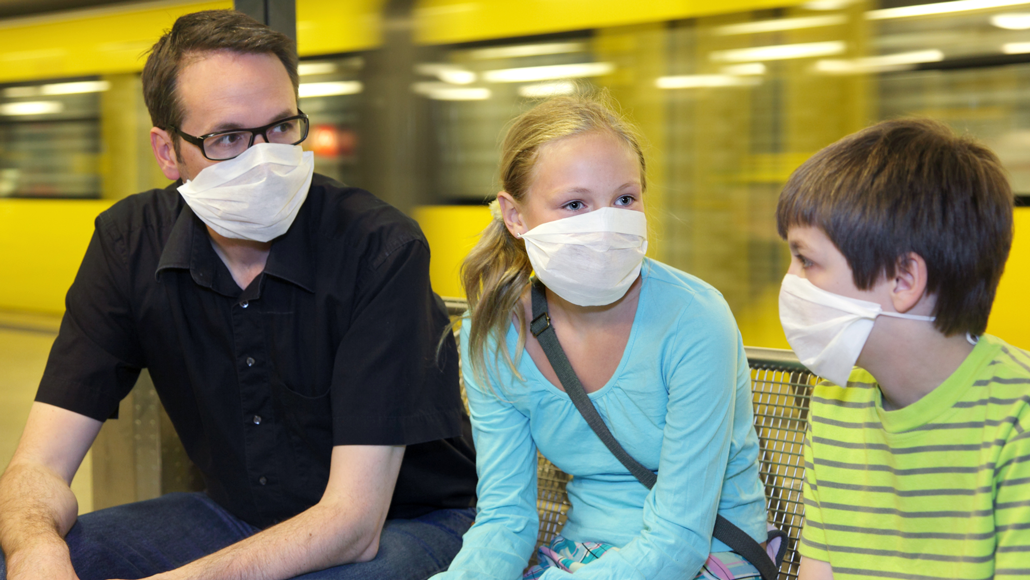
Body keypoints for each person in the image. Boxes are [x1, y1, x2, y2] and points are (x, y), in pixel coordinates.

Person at [0, 10, 476, 580]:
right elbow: (38, 467)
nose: (266, 159)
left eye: (280, 127)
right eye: (228, 138)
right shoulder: (129, 242)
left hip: (403, 524)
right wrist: (34, 552)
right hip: (235, 517)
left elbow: (352, 523)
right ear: (168, 151)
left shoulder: (378, 247)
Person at [431, 94, 771, 580]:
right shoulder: (493, 338)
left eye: (625, 199)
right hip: (584, 557)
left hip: (709, 557)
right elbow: (505, 520)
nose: (607, 224)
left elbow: (678, 542)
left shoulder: (695, 319)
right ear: (515, 216)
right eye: (575, 204)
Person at [775, 118, 1030, 580]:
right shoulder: (836, 398)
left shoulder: (1018, 418)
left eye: (807, 261)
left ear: (903, 280)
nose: (790, 284)